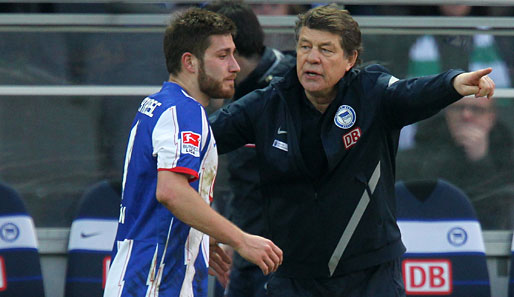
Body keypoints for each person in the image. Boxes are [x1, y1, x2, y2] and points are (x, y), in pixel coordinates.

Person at [209, 4, 495, 296]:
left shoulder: (372, 91)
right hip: (295, 276)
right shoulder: (269, 103)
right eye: (305, 46)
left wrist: (453, 83)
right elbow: (204, 139)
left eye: (326, 49)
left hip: (370, 274)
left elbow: (411, 92)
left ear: (350, 59)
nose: (312, 58)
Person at [103, 8, 283, 297]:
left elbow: (157, 197)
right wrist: (241, 240)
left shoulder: (159, 104)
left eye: (234, 54)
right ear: (190, 62)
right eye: (222, 56)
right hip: (155, 282)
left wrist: (200, 232)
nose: (235, 66)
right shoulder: (184, 111)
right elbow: (171, 191)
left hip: (142, 276)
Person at [203, 1, 295, 296]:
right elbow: (243, 181)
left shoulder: (294, 87)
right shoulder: (231, 92)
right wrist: (232, 236)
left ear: (231, 52)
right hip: (245, 248)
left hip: (286, 257)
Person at [396, 96, 514, 229]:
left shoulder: (506, 156)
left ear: (491, 118)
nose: (466, 115)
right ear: (447, 114)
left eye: (477, 109)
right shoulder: (419, 151)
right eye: (458, 108)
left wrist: (480, 161)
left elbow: (501, 210)